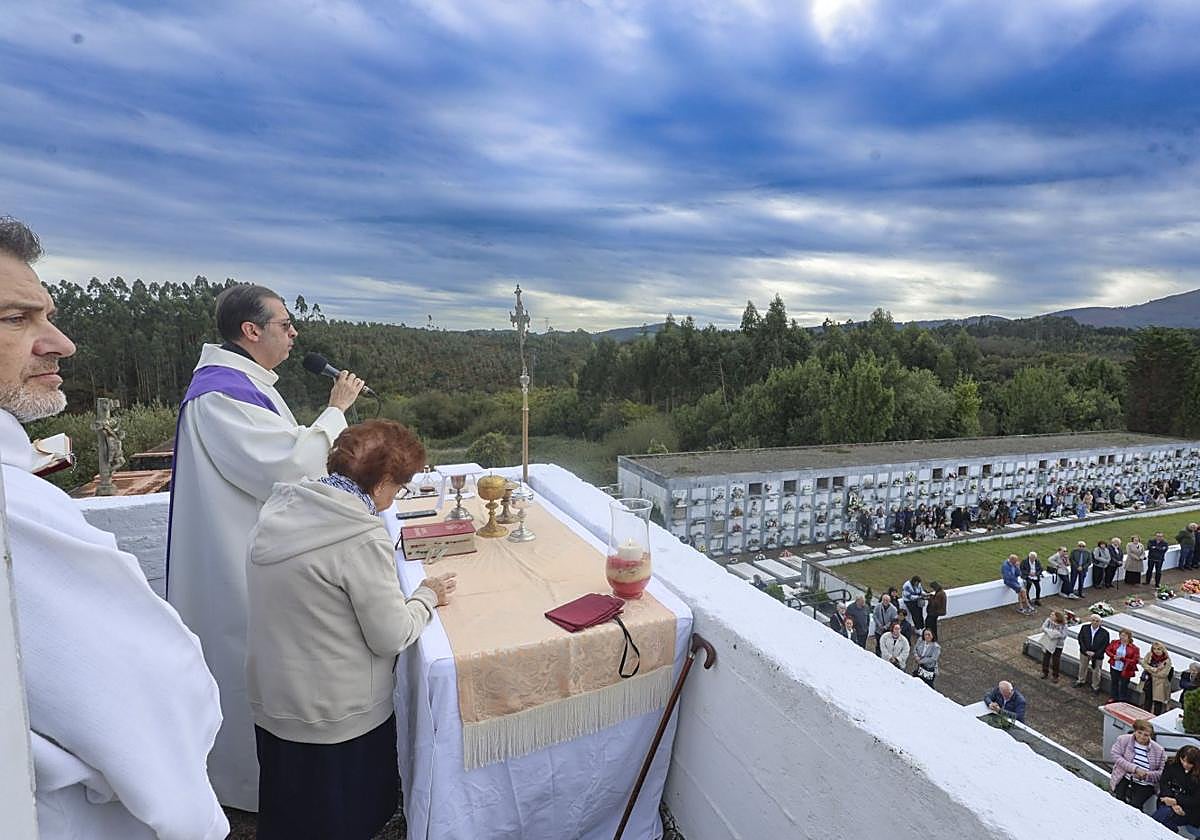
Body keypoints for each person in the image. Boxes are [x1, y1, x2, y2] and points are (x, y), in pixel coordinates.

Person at [0, 216, 227, 838]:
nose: (62, 343)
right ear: (251, 330)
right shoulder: (13, 510)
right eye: (15, 319)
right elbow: (149, 700)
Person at [167, 282, 367, 810]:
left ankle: (275, 783)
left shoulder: (245, 382)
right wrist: (336, 409)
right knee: (245, 665)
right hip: (236, 557)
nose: (294, 331)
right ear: (251, 331)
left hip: (254, 546)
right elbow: (288, 467)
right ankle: (250, 789)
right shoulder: (219, 394)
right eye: (284, 324)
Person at [247, 420, 456, 839]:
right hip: (337, 716)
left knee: (289, 818)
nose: (395, 497)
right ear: (380, 484)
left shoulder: (282, 508)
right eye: (398, 487)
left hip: (277, 702)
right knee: (343, 823)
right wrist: (426, 597)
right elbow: (391, 634)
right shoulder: (359, 534)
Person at [1110, 719, 1165, 811]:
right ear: (1135, 731)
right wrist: (1135, 769)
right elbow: (1116, 756)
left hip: (1145, 784)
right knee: (1119, 801)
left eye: (1146, 735)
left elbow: (1161, 772)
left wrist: (1146, 775)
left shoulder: (1159, 750)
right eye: (1139, 733)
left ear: (1150, 736)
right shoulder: (1123, 739)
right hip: (1125, 777)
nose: (1142, 737)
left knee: (1135, 806)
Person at [1153, 744, 1200, 831]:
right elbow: (1164, 783)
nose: (1185, 764)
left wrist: (1176, 801)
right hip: (1167, 799)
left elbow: (1196, 799)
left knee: (1163, 816)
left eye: (1189, 763)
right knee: (1164, 814)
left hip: (1188, 808)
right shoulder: (1172, 764)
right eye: (1183, 760)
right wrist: (1173, 802)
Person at [1075, 613, 1111, 693]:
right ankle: (1081, 680)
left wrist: (1096, 653)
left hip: (1097, 655)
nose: (1095, 622)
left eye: (1097, 621)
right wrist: (1085, 651)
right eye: (1093, 620)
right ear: (1090, 621)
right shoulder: (1084, 628)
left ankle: (1095, 686)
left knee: (1096, 671)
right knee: (1082, 667)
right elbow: (1081, 639)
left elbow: (1105, 645)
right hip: (1085, 653)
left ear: (1100, 622)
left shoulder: (1105, 633)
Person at [1106, 629, 1141, 703]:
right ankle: (1113, 697)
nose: (1122, 637)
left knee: (1124, 685)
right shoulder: (1115, 642)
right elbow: (1108, 650)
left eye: (1124, 636)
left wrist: (1122, 659)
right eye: (1121, 635)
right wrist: (1113, 656)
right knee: (1114, 682)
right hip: (1115, 666)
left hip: (1126, 669)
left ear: (1129, 637)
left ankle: (1122, 699)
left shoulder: (1134, 648)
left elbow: (1135, 660)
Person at [1141, 641, 1173, 715]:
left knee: (1158, 702)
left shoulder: (1167, 660)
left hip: (1160, 684)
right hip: (1149, 681)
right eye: (1154, 649)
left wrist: (1150, 671)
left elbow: (1164, 674)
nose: (1156, 651)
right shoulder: (1150, 655)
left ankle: (1155, 717)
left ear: (1162, 649)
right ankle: (1145, 715)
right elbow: (1143, 663)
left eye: (1159, 649)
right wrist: (1154, 669)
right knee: (1147, 700)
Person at [1039, 610, 1068, 682]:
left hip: (1058, 645)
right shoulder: (1048, 621)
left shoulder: (1064, 625)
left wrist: (1055, 635)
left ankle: (1055, 675)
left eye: (1053, 615)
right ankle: (1045, 672)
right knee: (1046, 658)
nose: (1050, 616)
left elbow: (1064, 635)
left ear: (1057, 617)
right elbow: (1043, 628)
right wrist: (1051, 632)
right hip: (1049, 643)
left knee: (1056, 660)